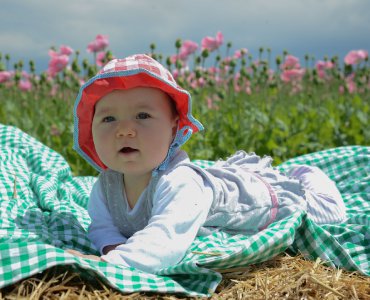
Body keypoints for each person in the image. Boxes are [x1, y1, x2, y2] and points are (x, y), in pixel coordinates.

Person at [69, 54, 346, 273]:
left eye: (142, 115)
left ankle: (307, 174)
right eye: (108, 119)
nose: (125, 130)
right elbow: (101, 226)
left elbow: (165, 241)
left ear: (173, 128)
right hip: (213, 187)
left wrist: (111, 264)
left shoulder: (179, 183)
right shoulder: (105, 186)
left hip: (261, 200)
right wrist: (111, 247)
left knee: (331, 212)